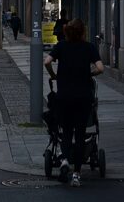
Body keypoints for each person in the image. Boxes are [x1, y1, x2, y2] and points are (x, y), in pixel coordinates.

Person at [44, 19, 104, 188]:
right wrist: (89, 74)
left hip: (64, 97)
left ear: (67, 32)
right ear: (82, 32)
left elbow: (47, 62)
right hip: (83, 97)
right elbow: (100, 68)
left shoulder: (61, 46)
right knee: (80, 135)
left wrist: (54, 75)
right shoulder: (89, 47)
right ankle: (76, 174)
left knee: (65, 131)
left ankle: (64, 161)